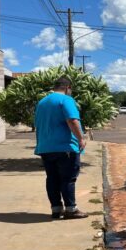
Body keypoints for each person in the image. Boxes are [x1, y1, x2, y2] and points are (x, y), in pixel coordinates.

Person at [34, 76, 88, 219]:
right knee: (68, 179)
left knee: (52, 179)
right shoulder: (66, 100)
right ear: (67, 88)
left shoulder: (42, 102)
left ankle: (56, 209)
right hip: (65, 148)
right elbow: (72, 120)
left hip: (45, 147)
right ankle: (71, 209)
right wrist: (81, 138)